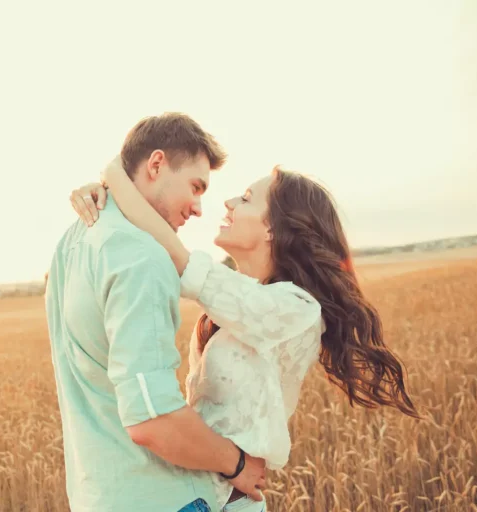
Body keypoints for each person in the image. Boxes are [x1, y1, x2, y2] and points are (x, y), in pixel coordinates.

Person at [69, 156, 421, 511]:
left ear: (273, 228)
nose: (229, 202)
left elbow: (176, 257)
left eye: (247, 198)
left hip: (228, 503)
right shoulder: (238, 300)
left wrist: (114, 176)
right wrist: (106, 205)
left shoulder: (298, 310)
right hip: (195, 495)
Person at [45, 113, 269, 512]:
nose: (199, 208)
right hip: (159, 498)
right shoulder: (142, 258)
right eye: (195, 187)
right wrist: (236, 464)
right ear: (156, 165)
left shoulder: (74, 239)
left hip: (96, 495)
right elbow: (153, 420)